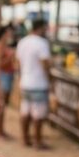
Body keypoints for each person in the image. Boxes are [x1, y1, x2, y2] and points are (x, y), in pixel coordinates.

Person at [16, 19, 52, 149]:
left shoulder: (22, 42)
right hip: (38, 83)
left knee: (25, 111)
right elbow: (45, 64)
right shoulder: (42, 43)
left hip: (25, 82)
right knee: (38, 115)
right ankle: (37, 141)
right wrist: (49, 80)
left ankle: (25, 138)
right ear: (41, 28)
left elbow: (18, 63)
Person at [0, 26, 17, 139]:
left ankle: (1, 130)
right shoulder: (0, 47)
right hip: (3, 77)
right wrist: (10, 57)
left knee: (2, 105)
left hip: (6, 76)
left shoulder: (2, 46)